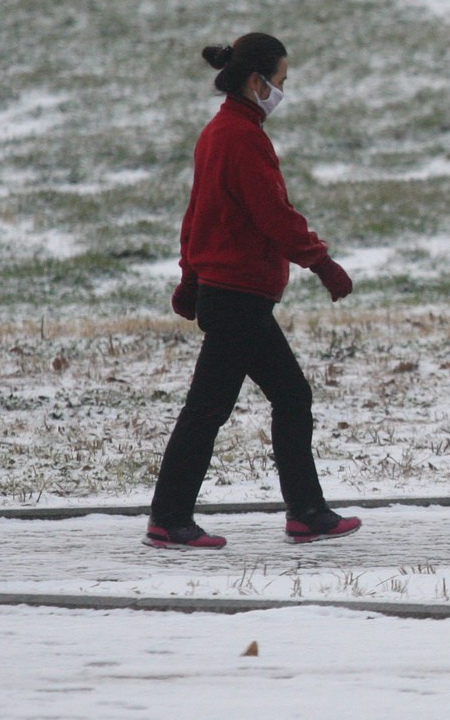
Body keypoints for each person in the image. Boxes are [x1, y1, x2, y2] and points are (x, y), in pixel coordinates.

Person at [146, 33, 363, 550]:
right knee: (211, 408)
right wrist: (322, 263)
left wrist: (191, 275)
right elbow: (272, 215)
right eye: (280, 82)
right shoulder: (241, 138)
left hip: (231, 291)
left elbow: (199, 214)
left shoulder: (220, 131)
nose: (282, 92)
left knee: (287, 396)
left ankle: (306, 512)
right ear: (256, 81)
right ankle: (170, 518)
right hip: (238, 293)